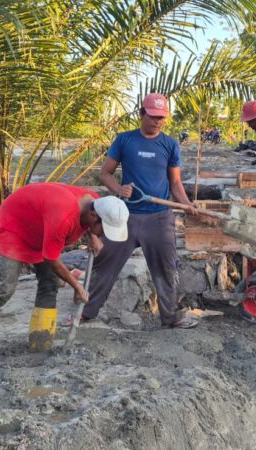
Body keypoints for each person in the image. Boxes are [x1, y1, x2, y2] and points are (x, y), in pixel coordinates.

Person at [0, 183, 130, 359]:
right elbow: (51, 259)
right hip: (15, 225)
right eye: (103, 229)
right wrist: (77, 287)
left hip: (41, 229)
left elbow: (87, 222)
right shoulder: (64, 217)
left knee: (49, 283)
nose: (104, 235)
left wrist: (93, 236)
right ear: (94, 216)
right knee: (4, 289)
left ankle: (41, 345)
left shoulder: (96, 202)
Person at [80, 93, 199, 329]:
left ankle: (170, 317)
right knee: (105, 263)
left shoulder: (169, 144)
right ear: (141, 114)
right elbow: (105, 173)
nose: (157, 121)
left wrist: (186, 203)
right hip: (126, 217)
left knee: (166, 267)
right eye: (153, 116)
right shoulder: (125, 141)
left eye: (161, 118)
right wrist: (119, 189)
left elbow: (174, 183)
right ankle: (86, 311)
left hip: (159, 218)